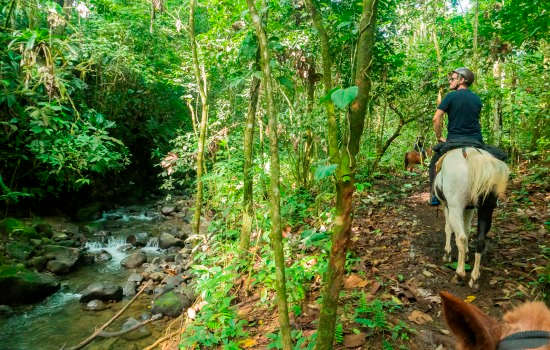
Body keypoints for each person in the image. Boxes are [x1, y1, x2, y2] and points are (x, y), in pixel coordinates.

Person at [429, 67, 483, 206]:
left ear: (462, 80)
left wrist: (439, 136)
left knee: (434, 163)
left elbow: (436, 119)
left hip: (454, 141)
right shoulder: (477, 99)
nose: (450, 82)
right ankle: (491, 197)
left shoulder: (450, 97)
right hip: (476, 141)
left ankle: (435, 195)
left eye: (453, 79)